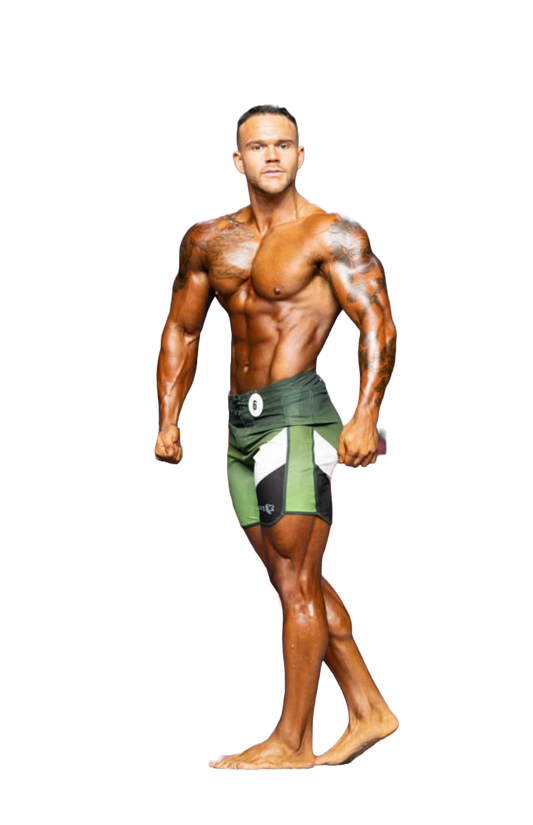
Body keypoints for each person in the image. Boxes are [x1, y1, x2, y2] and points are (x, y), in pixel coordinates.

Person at [153, 102, 401, 772]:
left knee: (294, 580)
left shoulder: (331, 233)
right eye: (257, 146)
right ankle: (367, 710)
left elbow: (376, 323)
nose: (270, 156)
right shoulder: (206, 240)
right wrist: (168, 418)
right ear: (236, 158)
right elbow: (182, 330)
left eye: (283, 145)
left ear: (300, 154)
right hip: (241, 420)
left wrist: (364, 413)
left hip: (297, 412)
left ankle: (292, 740)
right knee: (296, 577)